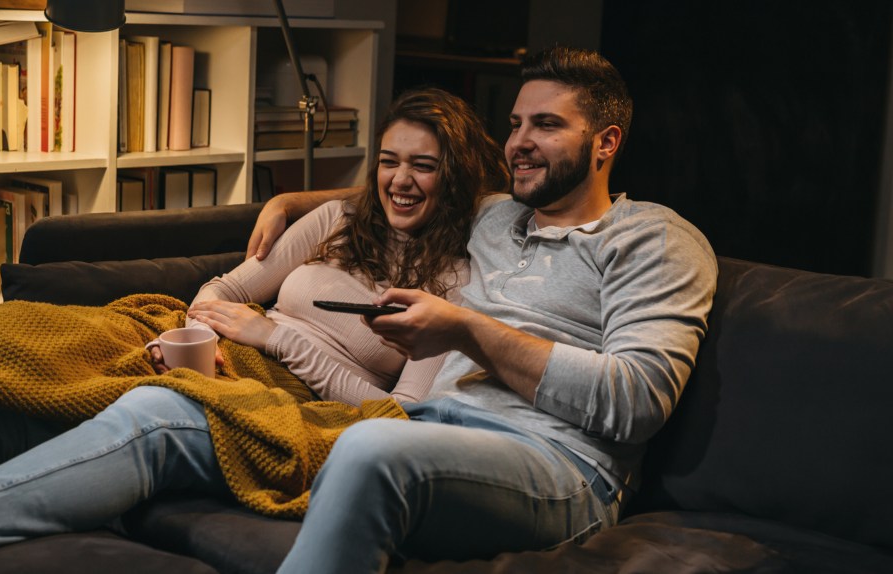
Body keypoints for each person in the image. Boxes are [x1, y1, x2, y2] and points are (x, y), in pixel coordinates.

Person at [0, 87, 512, 573]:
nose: (401, 180)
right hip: (199, 344)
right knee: (7, 344)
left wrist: (273, 341)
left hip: (283, 396)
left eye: (425, 165)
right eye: (390, 159)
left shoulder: (457, 285)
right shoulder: (331, 219)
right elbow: (228, 286)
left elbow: (392, 411)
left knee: (34, 402)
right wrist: (206, 325)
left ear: (457, 174)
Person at [246, 46, 718, 572]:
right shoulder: (496, 216)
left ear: (606, 142)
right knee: (171, 415)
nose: (519, 143)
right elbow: (406, 184)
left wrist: (467, 331)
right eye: (516, 124)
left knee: (368, 446)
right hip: (430, 429)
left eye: (545, 125)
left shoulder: (654, 238)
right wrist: (288, 202)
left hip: (560, 466)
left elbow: (637, 401)